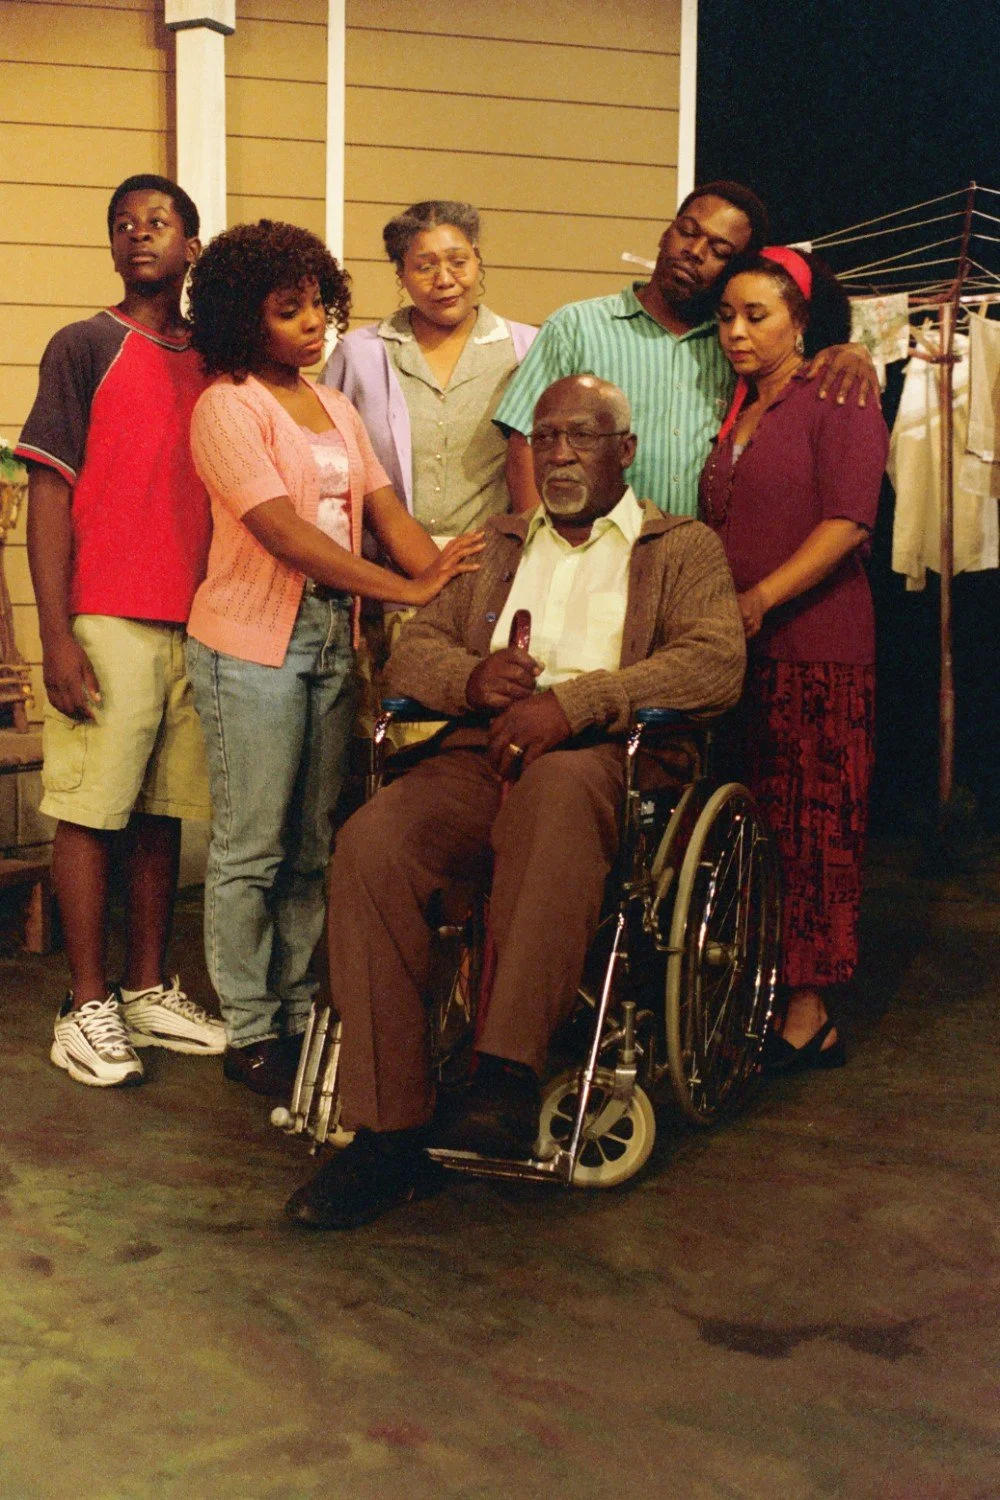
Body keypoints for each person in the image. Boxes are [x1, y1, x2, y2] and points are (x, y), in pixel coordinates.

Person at [284, 373, 746, 1230]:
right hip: (478, 756)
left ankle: (503, 1072)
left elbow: (714, 664)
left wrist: (574, 704)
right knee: (374, 841)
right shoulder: (492, 544)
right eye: (546, 438)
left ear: (626, 452)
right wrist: (473, 677)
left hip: (600, 759)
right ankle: (387, 1134)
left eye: (582, 436)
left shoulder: (679, 548)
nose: (560, 453)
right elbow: (413, 654)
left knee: (559, 791)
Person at [183, 220, 483, 1097]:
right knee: (251, 845)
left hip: (326, 643)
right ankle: (251, 1027)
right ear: (246, 321)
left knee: (314, 842)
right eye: (289, 311)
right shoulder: (226, 406)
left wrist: (450, 572)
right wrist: (407, 592)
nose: (314, 324)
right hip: (249, 648)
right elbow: (283, 534)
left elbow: (387, 513)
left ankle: (297, 1005)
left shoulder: (337, 406)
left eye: (318, 304)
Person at [16, 173, 224, 1088]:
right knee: (91, 811)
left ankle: (146, 986)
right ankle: (86, 1002)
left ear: (191, 243)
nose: (139, 235)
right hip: (105, 617)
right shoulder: (85, 346)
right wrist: (57, 637)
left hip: (198, 620)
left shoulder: (218, 357)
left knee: (161, 812)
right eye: (123, 225)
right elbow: (50, 495)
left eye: (158, 221)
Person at [699, 246, 889, 1070]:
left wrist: (764, 599)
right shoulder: (742, 405)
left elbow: (848, 521)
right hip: (741, 651)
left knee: (814, 826)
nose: (737, 332)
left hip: (817, 647)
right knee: (758, 823)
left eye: (757, 316)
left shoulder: (838, 392)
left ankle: (809, 1013)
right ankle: (759, 987)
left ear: (801, 321)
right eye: (727, 317)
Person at [494, 181, 879, 518]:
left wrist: (848, 349)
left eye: (720, 249)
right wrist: (540, 548)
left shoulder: (734, 346)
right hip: (590, 558)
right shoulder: (576, 327)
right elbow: (524, 441)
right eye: (687, 231)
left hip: (696, 569)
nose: (694, 251)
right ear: (666, 234)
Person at [321, 199, 538, 533]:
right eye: (425, 267)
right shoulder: (360, 355)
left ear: (477, 260)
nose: (445, 280)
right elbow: (324, 462)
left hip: (494, 565)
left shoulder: (525, 350)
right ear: (401, 274)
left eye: (458, 262)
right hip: (386, 569)